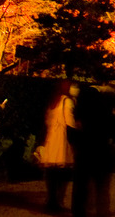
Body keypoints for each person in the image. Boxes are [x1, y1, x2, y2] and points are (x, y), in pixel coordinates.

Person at [72, 85, 113, 217]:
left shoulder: (78, 111)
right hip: (101, 150)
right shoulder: (103, 109)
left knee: (81, 184)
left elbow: (73, 132)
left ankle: (79, 210)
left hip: (83, 151)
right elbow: (109, 129)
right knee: (101, 185)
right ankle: (102, 210)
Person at [41, 80, 80, 211]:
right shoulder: (66, 101)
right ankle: (58, 201)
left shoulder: (53, 101)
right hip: (62, 139)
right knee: (63, 173)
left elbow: (47, 121)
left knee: (51, 172)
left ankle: (51, 200)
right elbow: (70, 121)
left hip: (51, 139)